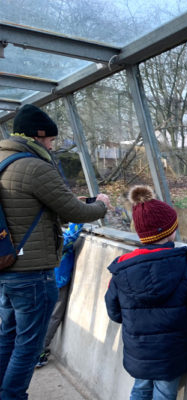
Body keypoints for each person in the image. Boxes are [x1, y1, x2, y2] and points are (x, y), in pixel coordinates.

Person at [0, 104, 111, 400]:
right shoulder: (34, 165)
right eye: (50, 139)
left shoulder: (3, 160)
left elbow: (32, 206)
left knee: (7, 337)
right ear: (38, 136)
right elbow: (74, 211)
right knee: (28, 346)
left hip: (6, 267)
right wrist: (100, 204)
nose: (52, 145)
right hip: (33, 274)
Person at [105, 185, 187, 400]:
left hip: (138, 351)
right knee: (164, 394)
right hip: (172, 353)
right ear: (170, 232)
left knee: (140, 390)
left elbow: (114, 312)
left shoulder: (122, 269)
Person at [36, 222, 85, 368]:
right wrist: (78, 216)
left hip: (41, 278)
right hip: (56, 280)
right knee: (54, 316)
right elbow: (69, 237)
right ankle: (38, 352)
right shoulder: (50, 237)